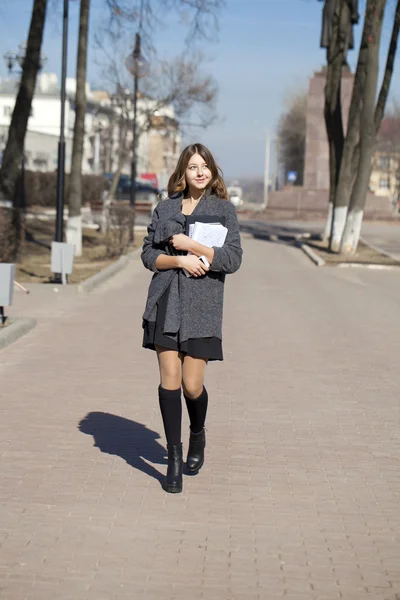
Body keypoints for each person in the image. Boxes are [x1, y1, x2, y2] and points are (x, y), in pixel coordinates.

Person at [141, 143, 243, 494]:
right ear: (182, 173)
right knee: (169, 380)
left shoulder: (224, 211)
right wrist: (178, 261)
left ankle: (196, 434)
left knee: (191, 385)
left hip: (202, 307)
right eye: (192, 166)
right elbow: (148, 254)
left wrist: (194, 247)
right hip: (166, 300)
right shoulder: (165, 207)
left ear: (212, 172)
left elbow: (232, 259)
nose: (199, 172)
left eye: (205, 166)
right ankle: (173, 459)